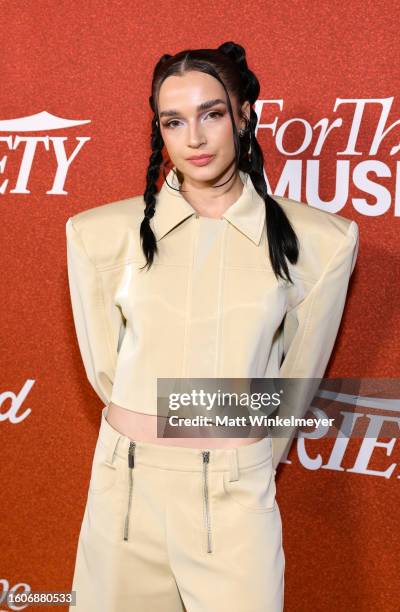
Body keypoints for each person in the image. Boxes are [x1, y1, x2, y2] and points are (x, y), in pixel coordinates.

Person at [66, 42, 359, 612]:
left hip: (233, 501)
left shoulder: (321, 242)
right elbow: (108, 372)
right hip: (123, 492)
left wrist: (234, 458)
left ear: (245, 113)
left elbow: (292, 388)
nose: (193, 139)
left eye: (212, 114)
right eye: (174, 121)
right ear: (159, 130)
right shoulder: (98, 235)